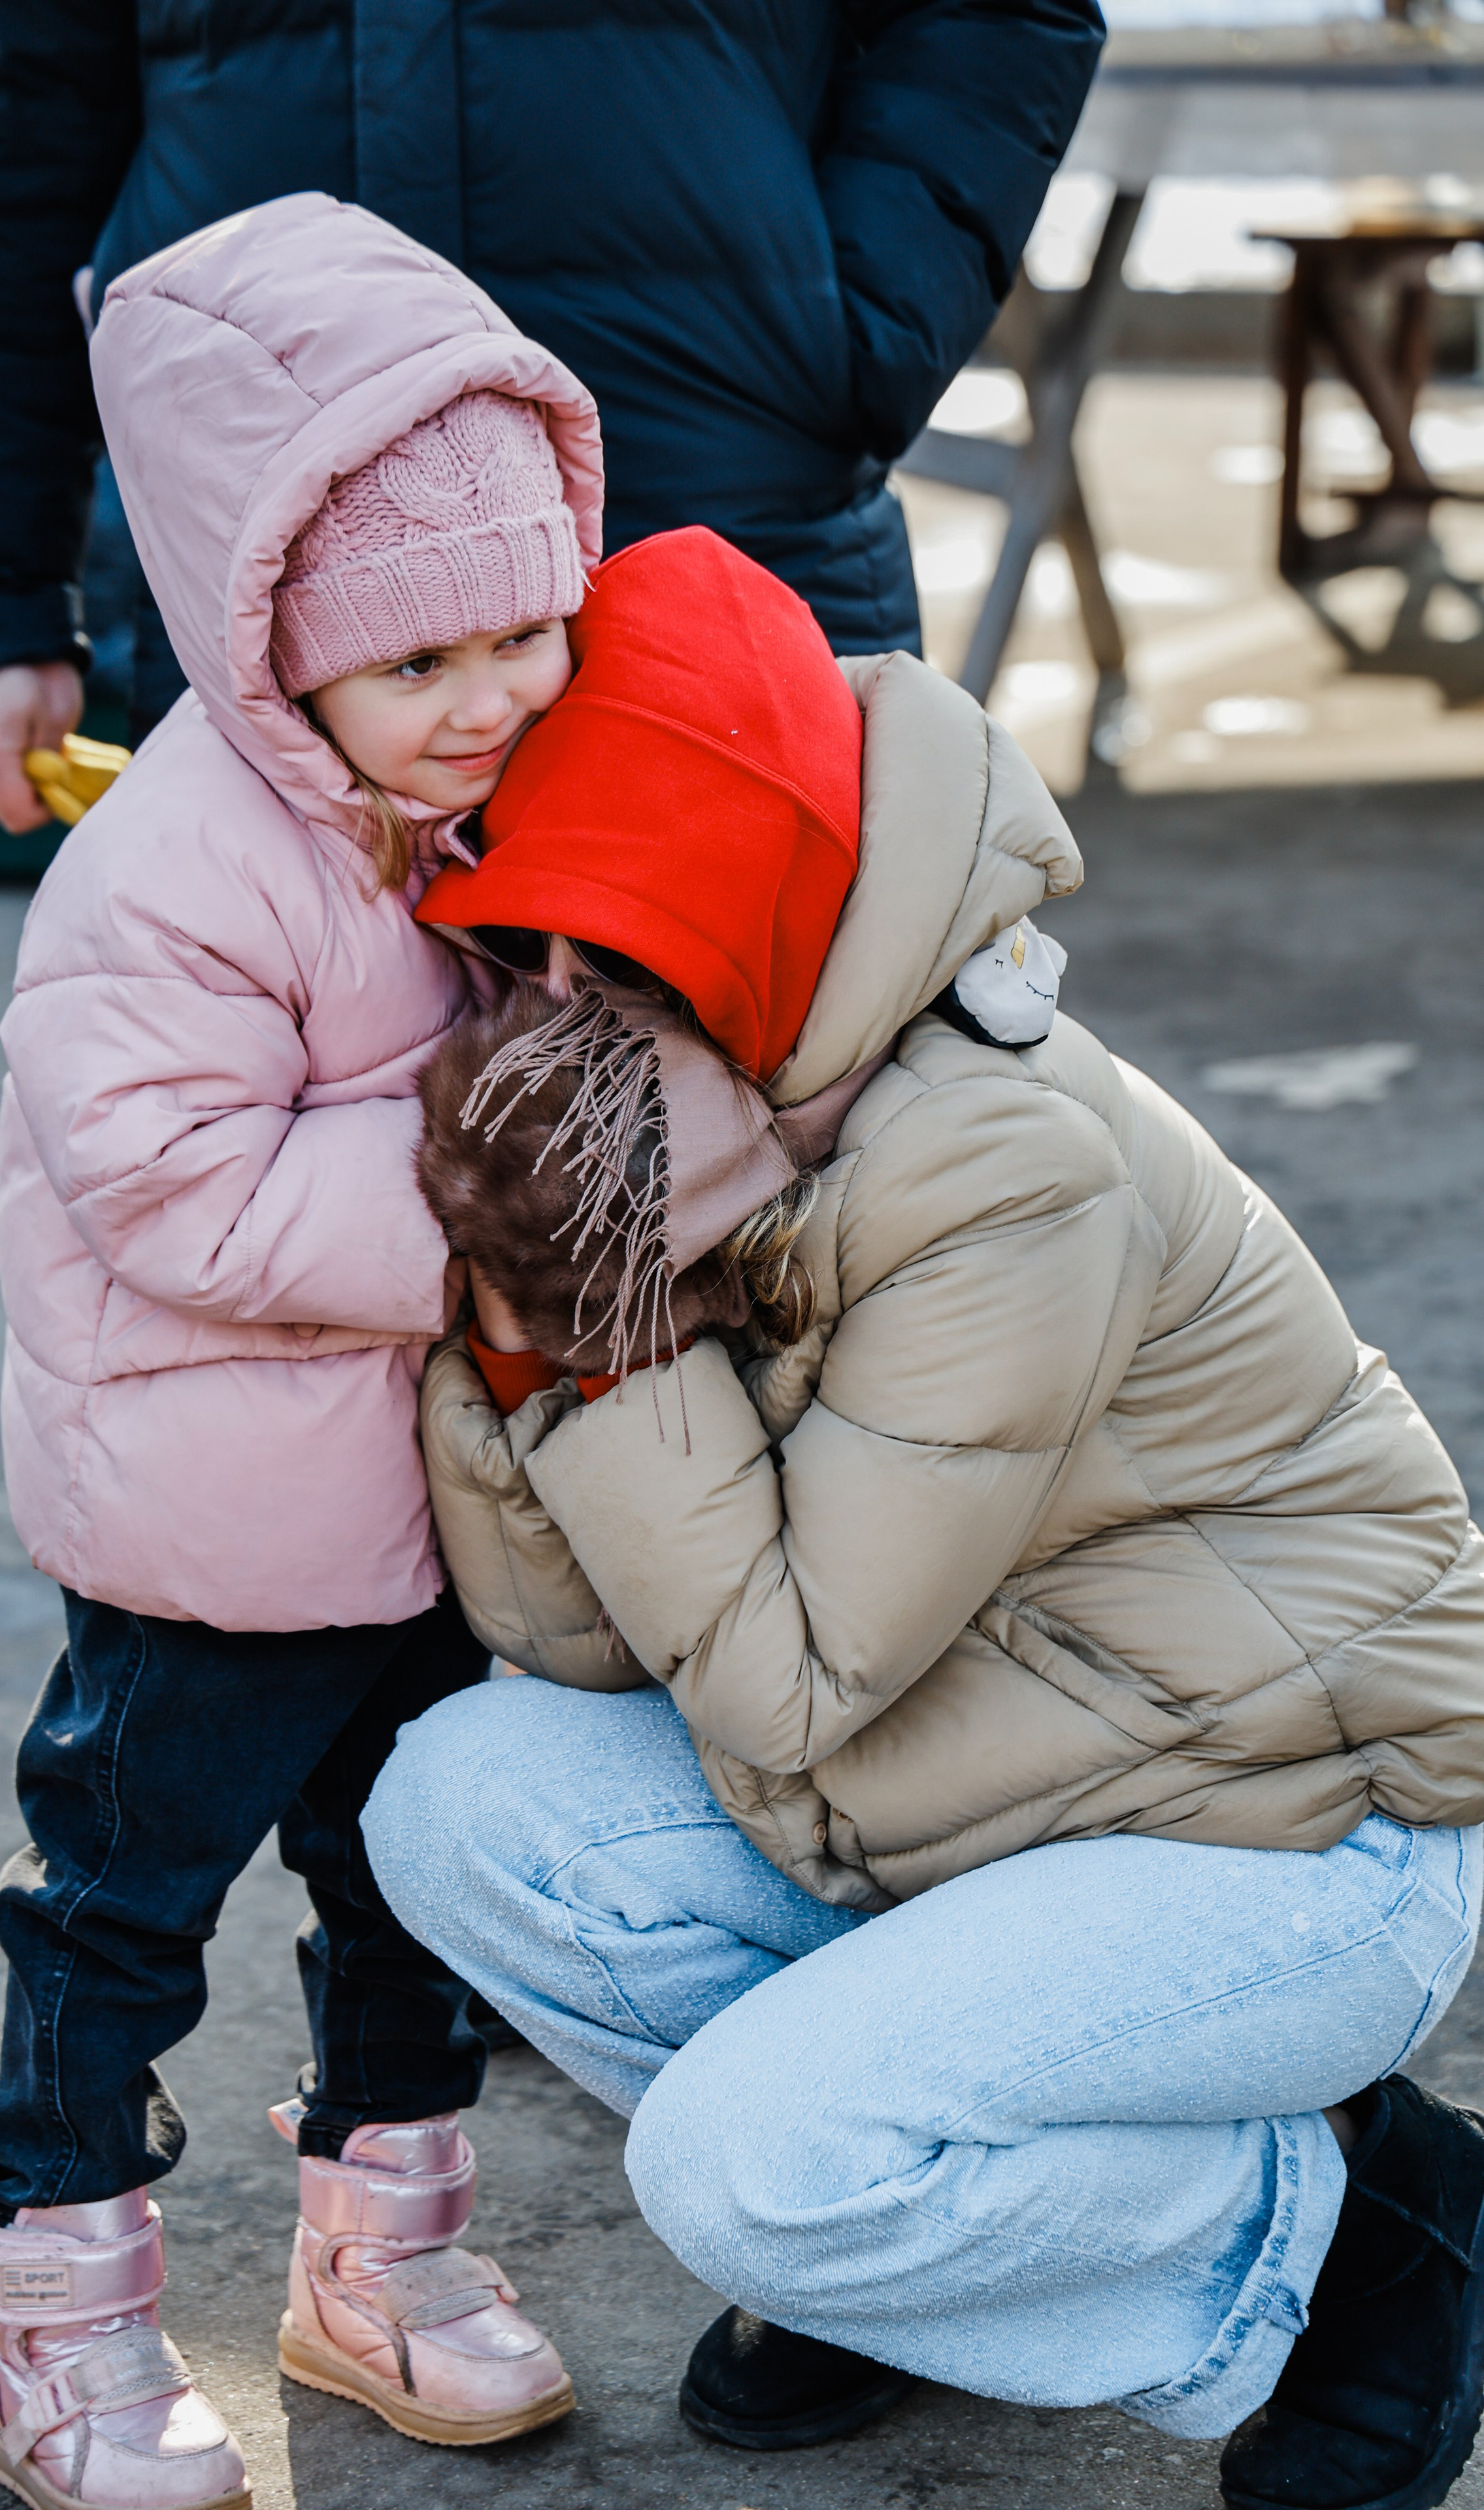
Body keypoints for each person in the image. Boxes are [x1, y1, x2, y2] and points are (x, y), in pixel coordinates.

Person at [367, 524, 1484, 2510]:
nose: (545, 1017)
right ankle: (920, 2241)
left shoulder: (995, 1162)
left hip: (1287, 1830)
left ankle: (1357, 2235)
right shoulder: (715, 1117)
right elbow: (587, 1648)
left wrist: (607, 1344)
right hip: (994, 1785)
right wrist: (534, 1327)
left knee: (748, 2171)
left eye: (608, 962)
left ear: (750, 930)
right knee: (464, 1804)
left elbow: (784, 1685)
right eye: (514, 950)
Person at [0, 195, 606, 2510]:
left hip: (432, 1509)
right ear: (272, 647)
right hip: (207, 1538)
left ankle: (387, 2251)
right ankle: (60, 2301)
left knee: (414, 1888)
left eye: (531, 632)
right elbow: (178, 1191)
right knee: (122, 1911)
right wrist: (504, 1216)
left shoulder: (488, 808)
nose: (494, 696)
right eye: (425, 661)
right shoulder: (169, 870)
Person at [0, 0, 1105, 832]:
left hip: (719, 474)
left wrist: (858, 330)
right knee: (290, 1136)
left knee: (788, 1141)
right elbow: (13, 123)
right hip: (277, 554)